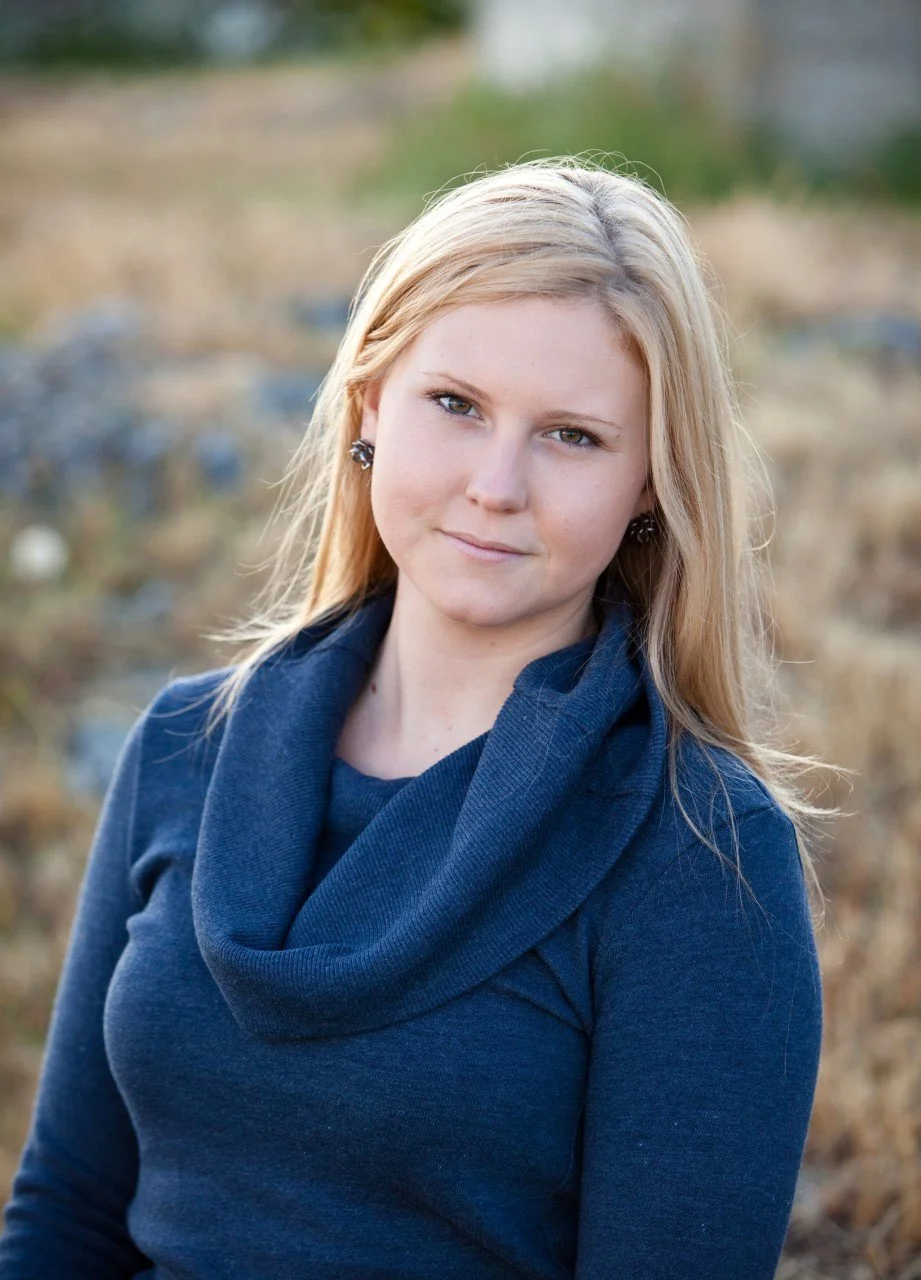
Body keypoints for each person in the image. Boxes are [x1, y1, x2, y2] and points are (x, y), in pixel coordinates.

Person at [0, 156, 827, 1279]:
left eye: (572, 435)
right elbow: (65, 1207)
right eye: (456, 405)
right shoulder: (185, 745)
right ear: (369, 403)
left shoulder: (697, 852)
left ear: (650, 482)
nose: (497, 484)